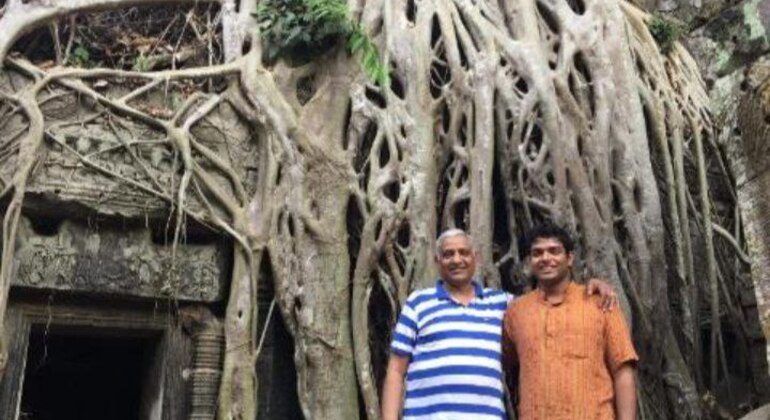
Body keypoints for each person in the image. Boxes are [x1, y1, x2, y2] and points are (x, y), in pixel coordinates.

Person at [381, 228, 617, 420]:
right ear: (437, 261)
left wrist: (591, 287)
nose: (457, 259)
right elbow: (396, 370)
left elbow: (546, 302)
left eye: (463, 252)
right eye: (448, 254)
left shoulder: (505, 305)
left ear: (475, 258)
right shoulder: (418, 303)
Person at [502, 224, 638, 420]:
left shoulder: (601, 303)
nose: (545, 258)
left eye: (554, 251)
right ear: (530, 261)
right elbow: (503, 361)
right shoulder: (517, 311)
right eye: (537, 253)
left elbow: (622, 369)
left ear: (570, 259)